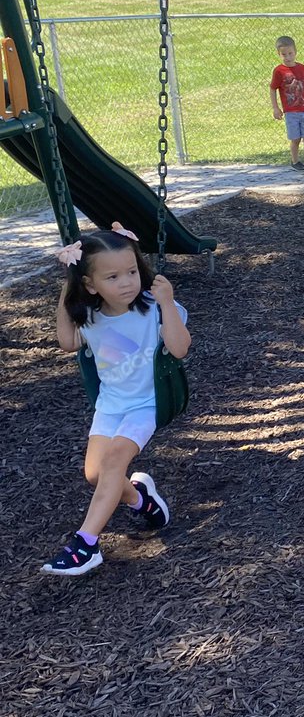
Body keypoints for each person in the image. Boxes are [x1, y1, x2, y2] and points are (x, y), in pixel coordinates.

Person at [43, 224, 191, 576]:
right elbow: (67, 341)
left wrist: (168, 303)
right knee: (95, 474)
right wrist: (68, 284)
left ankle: (86, 543)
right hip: (110, 405)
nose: (127, 282)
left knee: (112, 464)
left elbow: (180, 348)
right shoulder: (91, 317)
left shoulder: (152, 307)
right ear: (91, 285)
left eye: (131, 272)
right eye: (113, 277)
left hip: (149, 403)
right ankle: (142, 499)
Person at [270, 35, 304, 175]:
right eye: (284, 54)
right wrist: (275, 107)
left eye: (290, 53)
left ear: (295, 52)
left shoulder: (302, 68)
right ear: (279, 54)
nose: (287, 57)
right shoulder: (279, 71)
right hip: (291, 111)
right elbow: (273, 88)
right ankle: (295, 161)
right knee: (295, 139)